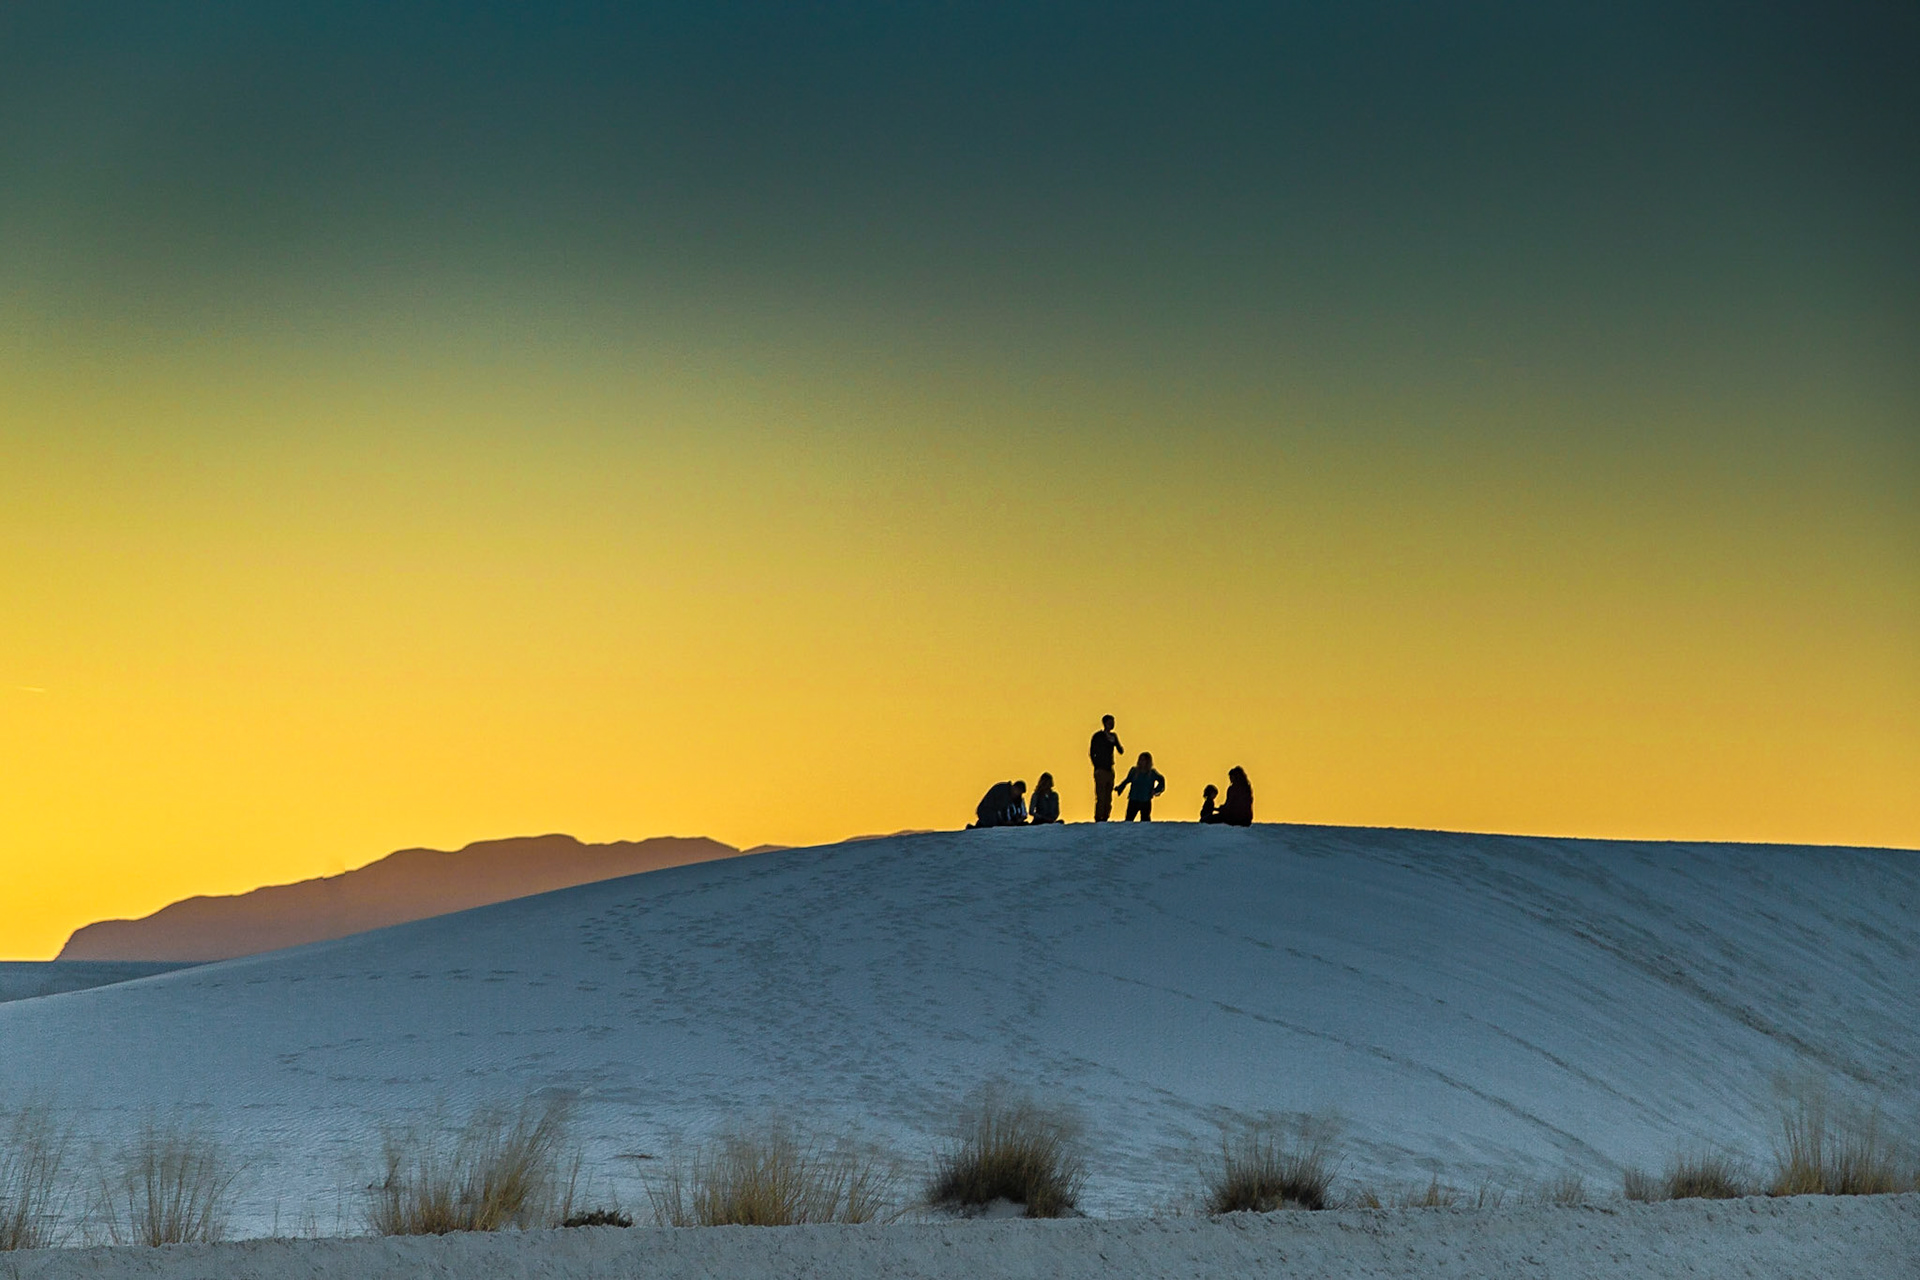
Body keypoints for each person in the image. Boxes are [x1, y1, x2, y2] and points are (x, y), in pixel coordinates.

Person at [1089, 715, 1124, 822]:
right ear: (1104, 723)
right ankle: (1099, 817)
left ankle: (1106, 816)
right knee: (1101, 795)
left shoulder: (1114, 736)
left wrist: (1114, 741)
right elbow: (1092, 752)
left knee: (1108, 795)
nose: (1112, 724)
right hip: (1100, 769)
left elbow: (1121, 750)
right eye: (1110, 722)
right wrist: (1096, 765)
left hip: (1110, 769)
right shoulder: (1098, 736)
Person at [1115, 752, 1165, 822]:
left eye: (1143, 760)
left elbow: (1161, 780)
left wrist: (1156, 790)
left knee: (1145, 822)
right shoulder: (1134, 771)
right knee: (1128, 821)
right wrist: (1119, 788)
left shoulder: (1152, 773)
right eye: (1140, 760)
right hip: (1133, 799)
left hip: (1145, 800)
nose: (1141, 762)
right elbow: (1126, 780)